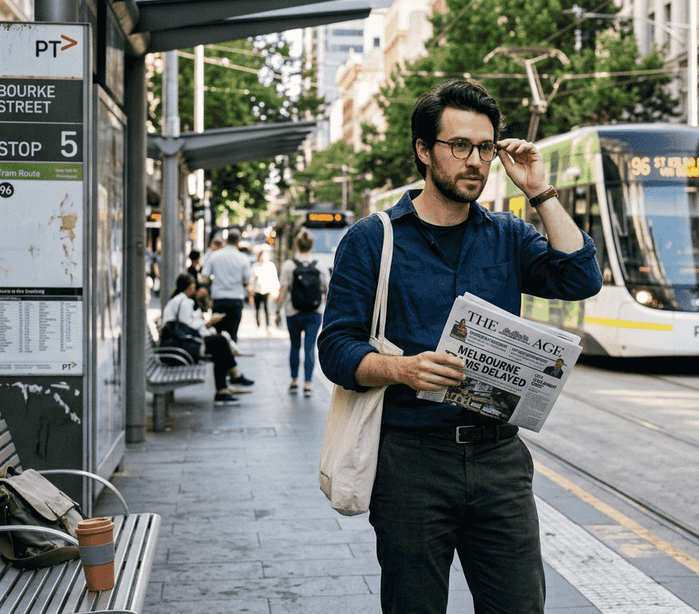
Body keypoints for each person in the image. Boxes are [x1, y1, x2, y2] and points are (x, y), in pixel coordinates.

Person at [318, 79, 601, 614]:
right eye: (461, 146)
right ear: (424, 150)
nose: (477, 161)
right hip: (410, 462)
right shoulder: (372, 239)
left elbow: (581, 278)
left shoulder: (508, 235)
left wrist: (539, 191)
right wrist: (402, 370)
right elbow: (335, 350)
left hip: (499, 459)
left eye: (487, 148)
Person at [162, 274, 250, 404]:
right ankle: (230, 380)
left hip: (178, 344)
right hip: (181, 347)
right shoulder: (184, 302)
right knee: (220, 342)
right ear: (190, 287)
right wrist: (208, 323)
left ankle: (227, 384)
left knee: (220, 345)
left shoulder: (179, 300)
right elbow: (187, 326)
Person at [277, 230, 329, 397]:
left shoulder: (288, 265)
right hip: (315, 312)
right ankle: (307, 384)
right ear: (311, 245)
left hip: (293, 311)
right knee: (309, 347)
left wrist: (277, 311)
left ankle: (293, 381)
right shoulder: (320, 265)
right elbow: (328, 290)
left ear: (296, 245)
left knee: (294, 346)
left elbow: (283, 290)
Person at [202, 230, 252, 342]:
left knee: (218, 333)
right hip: (236, 299)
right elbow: (247, 279)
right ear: (238, 241)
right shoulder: (243, 258)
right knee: (233, 333)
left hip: (218, 298)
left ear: (226, 240)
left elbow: (205, 276)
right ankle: (231, 355)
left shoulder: (214, 256)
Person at [251, 248, 280, 333]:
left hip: (267, 290)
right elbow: (252, 280)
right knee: (257, 309)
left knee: (267, 309)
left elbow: (274, 279)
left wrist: (276, 291)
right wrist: (251, 292)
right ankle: (258, 326)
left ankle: (268, 325)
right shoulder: (256, 266)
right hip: (257, 291)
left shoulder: (271, 266)